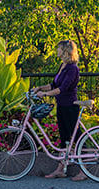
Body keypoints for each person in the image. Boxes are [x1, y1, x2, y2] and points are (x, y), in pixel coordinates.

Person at [33, 40, 85, 181]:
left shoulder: (73, 68)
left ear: (66, 51)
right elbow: (54, 84)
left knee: (78, 138)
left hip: (70, 106)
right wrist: (40, 88)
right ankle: (60, 170)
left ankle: (84, 171)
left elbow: (63, 88)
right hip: (62, 106)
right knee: (64, 139)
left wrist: (45, 95)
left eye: (59, 48)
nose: (57, 50)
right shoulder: (63, 66)